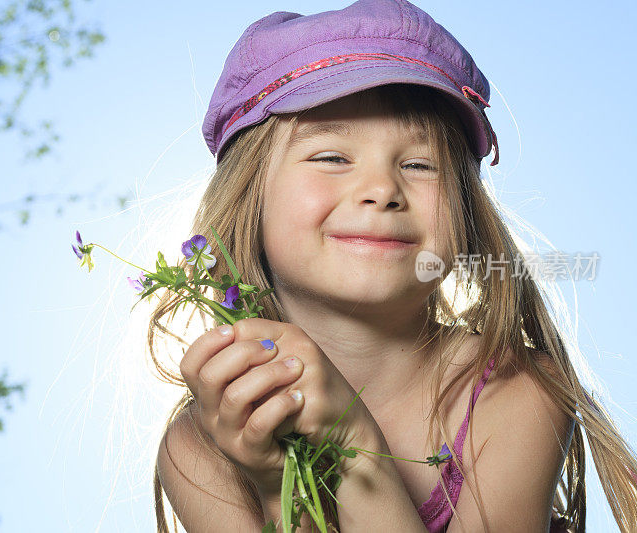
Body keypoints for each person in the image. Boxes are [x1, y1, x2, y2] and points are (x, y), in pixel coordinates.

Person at [149, 0, 637, 531]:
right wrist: (275, 487)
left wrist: (353, 445)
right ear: (248, 198)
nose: (382, 190)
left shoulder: (513, 392)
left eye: (419, 164)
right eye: (333, 157)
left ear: (468, 214)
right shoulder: (200, 448)